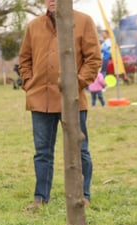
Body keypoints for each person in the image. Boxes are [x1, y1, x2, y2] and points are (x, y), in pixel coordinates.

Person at [18, 0, 100, 211]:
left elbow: (93, 59)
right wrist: (28, 83)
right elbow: (24, 59)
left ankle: (84, 195)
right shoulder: (33, 25)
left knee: (80, 151)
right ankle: (40, 198)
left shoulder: (84, 21)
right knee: (42, 152)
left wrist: (76, 85)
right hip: (40, 100)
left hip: (72, 101)